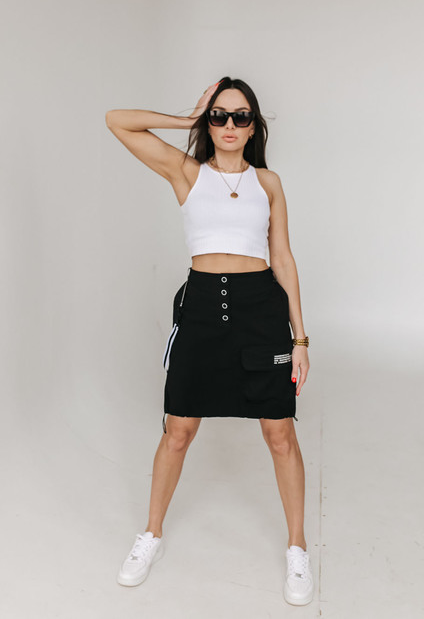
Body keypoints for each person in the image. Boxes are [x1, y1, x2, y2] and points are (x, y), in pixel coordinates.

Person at [105, 77, 313, 605]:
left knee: (280, 433)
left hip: (260, 311)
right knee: (178, 430)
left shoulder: (268, 183)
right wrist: (188, 119)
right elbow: (117, 120)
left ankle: (297, 547)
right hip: (201, 309)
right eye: (219, 116)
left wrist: (301, 338)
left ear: (254, 126)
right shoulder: (187, 172)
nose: (229, 125)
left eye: (240, 116)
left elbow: (283, 258)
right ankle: (150, 535)